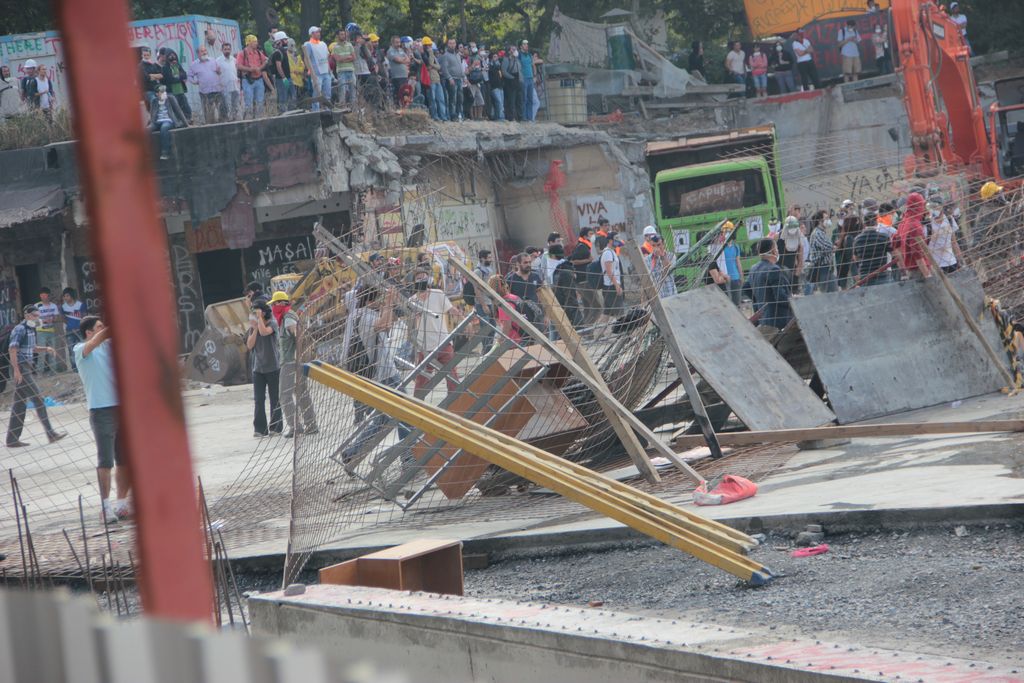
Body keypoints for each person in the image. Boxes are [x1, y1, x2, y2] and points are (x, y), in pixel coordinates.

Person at [74, 317, 132, 523]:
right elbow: (92, 344)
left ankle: (122, 503)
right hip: (101, 411)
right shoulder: (81, 350)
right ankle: (105, 506)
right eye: (99, 327)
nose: (104, 330)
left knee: (125, 459)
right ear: (89, 332)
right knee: (105, 461)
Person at [6, 305, 66, 448]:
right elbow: (12, 349)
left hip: (26, 366)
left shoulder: (31, 329)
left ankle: (12, 439)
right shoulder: (19, 329)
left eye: (38, 316)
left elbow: (31, 348)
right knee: (38, 399)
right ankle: (50, 433)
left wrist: (46, 348)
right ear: (27, 315)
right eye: (35, 315)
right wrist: (16, 370)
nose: (37, 318)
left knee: (19, 404)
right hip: (21, 367)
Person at [271, 291, 318, 438]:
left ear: (279, 304)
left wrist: (298, 356)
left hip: (291, 362)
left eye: (273, 304)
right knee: (302, 393)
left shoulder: (288, 318)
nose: (272, 307)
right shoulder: (290, 315)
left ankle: (295, 427)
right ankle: (311, 425)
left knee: (284, 395)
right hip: (298, 361)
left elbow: (299, 336)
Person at [410, 268, 461, 398]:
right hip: (425, 346)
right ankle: (417, 407)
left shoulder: (437, 294)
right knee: (421, 381)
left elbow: (451, 310)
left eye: (424, 277)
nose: (422, 280)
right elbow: (412, 325)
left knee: (453, 378)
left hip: (443, 342)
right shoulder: (412, 301)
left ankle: (454, 403)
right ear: (414, 281)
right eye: (419, 278)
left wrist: (466, 321)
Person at [246, 301, 282, 437]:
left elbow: (264, 332)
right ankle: (260, 428)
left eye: (255, 313)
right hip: (258, 369)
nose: (252, 317)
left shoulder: (272, 323)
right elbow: (249, 345)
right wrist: (254, 328)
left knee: (275, 398)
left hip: (273, 367)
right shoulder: (253, 328)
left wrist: (260, 318)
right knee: (259, 399)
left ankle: (276, 427)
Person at [743, 239, 792, 329]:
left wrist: (759, 301)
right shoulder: (774, 269)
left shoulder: (754, 268)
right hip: (779, 319)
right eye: (776, 248)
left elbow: (745, 287)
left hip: (763, 318)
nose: (778, 251)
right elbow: (780, 296)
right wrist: (793, 303)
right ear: (773, 250)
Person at [892, 192, 932, 279]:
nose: (924, 208)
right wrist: (927, 275)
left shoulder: (903, 222)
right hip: (920, 271)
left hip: (911, 270)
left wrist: (904, 270)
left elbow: (896, 246)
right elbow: (917, 254)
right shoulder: (915, 225)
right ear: (918, 206)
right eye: (922, 205)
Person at [852, 201, 893, 285]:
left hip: (865, 277)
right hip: (882, 275)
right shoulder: (883, 237)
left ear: (864, 223)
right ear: (876, 221)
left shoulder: (857, 239)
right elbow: (893, 252)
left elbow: (855, 258)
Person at [570, 227, 602, 326]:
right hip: (583, 281)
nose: (593, 235)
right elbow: (573, 261)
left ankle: (587, 333)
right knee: (597, 307)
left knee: (588, 307)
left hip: (583, 280)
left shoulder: (585, 246)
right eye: (590, 233)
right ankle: (586, 329)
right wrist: (588, 260)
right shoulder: (582, 247)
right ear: (584, 236)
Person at [148, 85, 188, 161]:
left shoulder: (170, 98)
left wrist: (186, 124)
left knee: (164, 128)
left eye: (164, 91)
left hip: (168, 120)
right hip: (156, 122)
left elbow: (178, 111)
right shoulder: (154, 101)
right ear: (157, 94)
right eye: (161, 92)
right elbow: (152, 114)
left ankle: (165, 152)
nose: (164, 93)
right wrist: (149, 124)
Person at [927, 199, 963, 274]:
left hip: (951, 260)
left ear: (941, 207)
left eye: (935, 207)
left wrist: (960, 259)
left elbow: (954, 242)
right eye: (931, 207)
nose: (933, 209)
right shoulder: (928, 223)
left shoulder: (949, 219)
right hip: (935, 263)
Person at [188, 45, 222, 123]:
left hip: (217, 89)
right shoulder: (194, 64)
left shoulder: (213, 60)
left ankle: (221, 124)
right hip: (205, 92)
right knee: (209, 113)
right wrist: (194, 81)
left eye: (205, 51)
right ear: (198, 53)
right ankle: (210, 126)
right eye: (202, 51)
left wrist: (219, 71)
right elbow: (189, 75)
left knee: (221, 111)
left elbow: (219, 72)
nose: (204, 52)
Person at [237, 35, 268, 118]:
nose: (256, 43)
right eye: (255, 41)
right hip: (248, 81)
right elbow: (238, 66)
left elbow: (265, 61)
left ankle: (259, 119)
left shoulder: (258, 52)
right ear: (249, 42)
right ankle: (249, 120)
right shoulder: (242, 53)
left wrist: (259, 68)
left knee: (260, 101)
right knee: (248, 102)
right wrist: (250, 69)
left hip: (259, 80)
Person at [549, 244, 581, 324]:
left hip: (564, 303)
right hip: (562, 302)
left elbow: (569, 292)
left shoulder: (562, 267)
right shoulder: (565, 265)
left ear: (552, 255)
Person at [806, 211, 837, 293]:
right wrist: (834, 247)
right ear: (820, 221)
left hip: (827, 268)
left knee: (833, 291)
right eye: (826, 218)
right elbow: (829, 247)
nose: (828, 220)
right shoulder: (817, 233)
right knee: (829, 294)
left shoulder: (822, 232)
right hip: (822, 268)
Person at [34, 287, 61, 375]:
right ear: (40, 296)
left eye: (45, 295)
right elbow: (34, 318)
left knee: (51, 351)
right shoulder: (37, 306)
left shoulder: (53, 306)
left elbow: (56, 316)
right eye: (42, 295)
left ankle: (53, 371)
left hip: (51, 330)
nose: (43, 297)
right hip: (41, 331)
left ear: (48, 296)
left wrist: (52, 319)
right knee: (41, 352)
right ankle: (40, 373)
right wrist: (44, 320)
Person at [304, 27, 332, 110]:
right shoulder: (308, 44)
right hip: (316, 73)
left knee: (327, 93)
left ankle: (327, 111)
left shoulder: (323, 44)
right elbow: (306, 58)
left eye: (319, 32)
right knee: (316, 94)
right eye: (316, 32)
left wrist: (329, 70)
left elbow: (327, 57)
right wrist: (310, 71)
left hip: (326, 72)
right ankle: (315, 111)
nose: (319, 33)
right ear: (312, 34)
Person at [600, 232, 625, 324]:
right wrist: (617, 286)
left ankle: (598, 334)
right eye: (616, 240)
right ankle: (623, 334)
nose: (618, 243)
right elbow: (609, 272)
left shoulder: (611, 252)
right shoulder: (608, 253)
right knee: (620, 314)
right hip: (611, 287)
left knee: (607, 314)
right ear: (610, 241)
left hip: (610, 286)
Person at [161, 49, 192, 122]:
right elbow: (170, 79)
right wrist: (179, 77)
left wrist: (177, 77)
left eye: (174, 55)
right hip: (172, 92)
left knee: (185, 106)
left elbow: (184, 74)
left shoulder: (178, 65)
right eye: (170, 56)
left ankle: (189, 119)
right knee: (176, 108)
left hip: (180, 90)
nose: (173, 57)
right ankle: (179, 121)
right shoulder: (165, 68)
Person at [61, 287, 87, 372]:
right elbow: (63, 318)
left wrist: (79, 327)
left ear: (71, 295)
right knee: (71, 349)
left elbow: (84, 317)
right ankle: (75, 368)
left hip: (80, 330)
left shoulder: (80, 305)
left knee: (83, 347)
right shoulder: (63, 307)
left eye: (67, 296)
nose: (65, 298)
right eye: (64, 296)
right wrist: (70, 325)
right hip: (69, 331)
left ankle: (84, 365)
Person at [777, 216, 804, 293]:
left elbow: (800, 261)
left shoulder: (799, 237)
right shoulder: (778, 237)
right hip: (779, 271)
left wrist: (795, 278)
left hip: (792, 272)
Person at [440, 38, 466, 121]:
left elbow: (460, 67)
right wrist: (449, 78)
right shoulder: (445, 55)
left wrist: (464, 77)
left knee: (460, 99)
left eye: (453, 43)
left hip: (459, 79)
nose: (452, 45)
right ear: (448, 44)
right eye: (450, 43)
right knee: (453, 99)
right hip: (452, 79)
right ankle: (453, 115)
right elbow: (444, 68)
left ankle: (460, 114)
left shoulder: (457, 55)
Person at [648, 233, 678, 299]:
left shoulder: (671, 256)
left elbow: (667, 271)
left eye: (659, 245)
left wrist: (661, 255)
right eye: (654, 245)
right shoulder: (647, 260)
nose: (656, 248)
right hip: (658, 297)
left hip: (671, 294)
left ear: (663, 244)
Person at [269, 31, 293, 112]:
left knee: (292, 97)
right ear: (280, 41)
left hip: (289, 78)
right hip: (281, 80)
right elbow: (279, 67)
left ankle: (292, 114)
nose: (287, 41)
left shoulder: (286, 51)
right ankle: (283, 115)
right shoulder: (277, 53)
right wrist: (284, 78)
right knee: (282, 99)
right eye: (285, 39)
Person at [332, 28, 357, 107]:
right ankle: (343, 107)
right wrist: (348, 57)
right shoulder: (335, 47)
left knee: (353, 90)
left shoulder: (349, 45)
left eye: (344, 34)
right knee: (342, 90)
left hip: (351, 70)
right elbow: (338, 59)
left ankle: (354, 108)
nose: (343, 36)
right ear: (338, 36)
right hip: (341, 72)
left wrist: (343, 58)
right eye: (341, 34)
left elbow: (354, 57)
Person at [217, 42, 241, 121]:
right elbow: (217, 73)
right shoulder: (218, 61)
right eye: (225, 49)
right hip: (225, 87)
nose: (227, 51)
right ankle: (229, 120)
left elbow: (237, 71)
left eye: (228, 49)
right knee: (228, 105)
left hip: (235, 86)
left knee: (236, 105)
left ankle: (236, 119)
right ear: (222, 50)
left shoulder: (234, 60)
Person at [719, 227, 743, 304]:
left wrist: (741, 276)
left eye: (729, 231)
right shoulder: (720, 247)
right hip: (724, 279)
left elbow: (738, 262)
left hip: (735, 278)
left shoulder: (736, 247)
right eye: (725, 231)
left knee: (736, 302)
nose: (727, 233)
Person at [386, 35, 411, 106]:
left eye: (399, 42)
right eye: (396, 42)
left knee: (405, 94)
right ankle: (397, 108)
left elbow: (408, 60)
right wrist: (403, 60)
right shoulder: (390, 51)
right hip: (397, 77)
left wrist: (402, 60)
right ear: (392, 43)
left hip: (404, 76)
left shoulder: (401, 50)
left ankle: (404, 108)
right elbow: (397, 60)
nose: (399, 44)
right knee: (398, 94)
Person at [502, 45, 522, 121]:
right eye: (513, 49)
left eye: (515, 49)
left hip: (518, 79)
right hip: (510, 81)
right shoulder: (506, 59)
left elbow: (519, 69)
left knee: (519, 99)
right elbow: (504, 71)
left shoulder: (517, 59)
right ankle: (511, 117)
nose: (515, 51)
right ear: (509, 51)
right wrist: (512, 78)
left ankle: (519, 117)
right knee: (511, 100)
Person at [519, 40, 538, 121]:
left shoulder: (529, 55)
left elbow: (533, 65)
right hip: (524, 79)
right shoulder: (519, 55)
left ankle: (530, 118)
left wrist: (534, 75)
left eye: (527, 44)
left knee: (530, 99)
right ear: (521, 46)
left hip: (530, 78)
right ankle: (524, 117)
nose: (526, 45)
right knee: (524, 98)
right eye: (524, 44)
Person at [287, 39, 306, 107]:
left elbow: (302, 66)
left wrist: (299, 70)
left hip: (299, 80)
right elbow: (287, 67)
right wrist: (294, 70)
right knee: (292, 97)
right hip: (291, 80)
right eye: (291, 45)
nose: (292, 46)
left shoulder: (298, 56)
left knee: (299, 97)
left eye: (293, 45)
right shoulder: (286, 55)